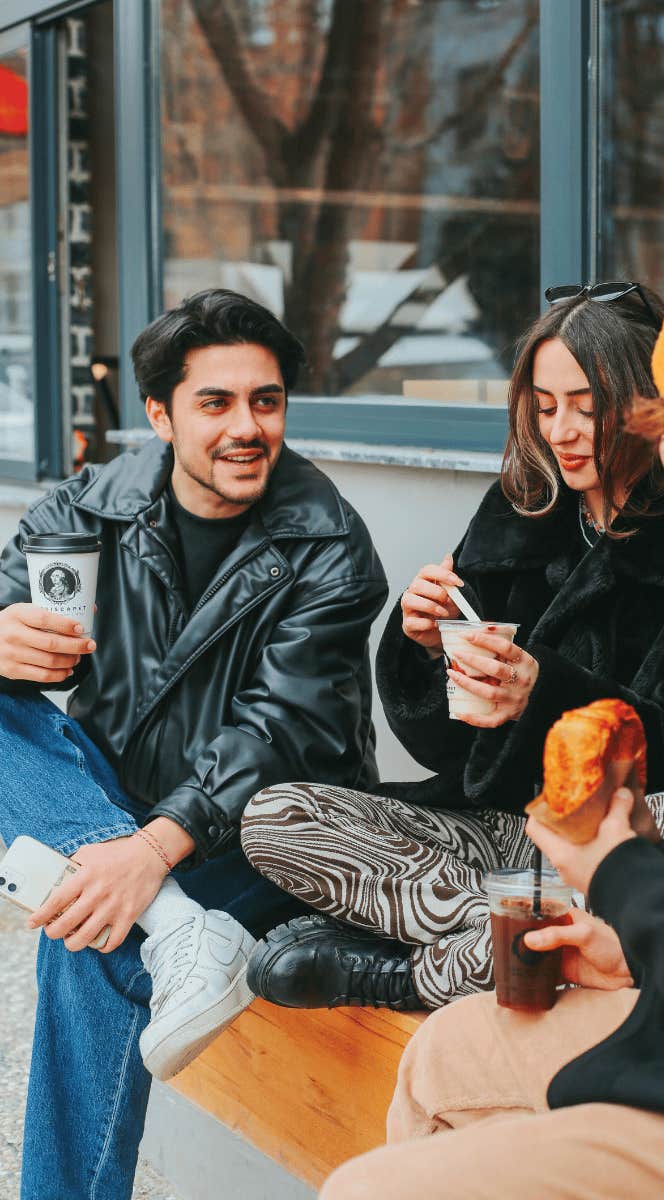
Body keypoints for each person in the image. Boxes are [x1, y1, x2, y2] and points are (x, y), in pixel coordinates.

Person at [318, 246, 664, 1200]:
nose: (581, 433)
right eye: (545, 405)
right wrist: (425, 648)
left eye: (652, 418)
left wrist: (620, 874)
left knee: (365, 1190)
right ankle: (467, 947)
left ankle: (447, 958)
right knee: (441, 1050)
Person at [240, 281, 664, 1012]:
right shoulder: (519, 515)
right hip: (491, 834)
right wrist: (426, 649)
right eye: (545, 408)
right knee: (274, 817)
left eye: (586, 407)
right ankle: (523, 935)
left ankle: (408, 975)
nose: (562, 432)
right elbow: (443, 751)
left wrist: (543, 695)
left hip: (617, 842)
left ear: (649, 403)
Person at [0, 288, 388, 1200]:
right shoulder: (90, 510)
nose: (247, 426)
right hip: (121, 811)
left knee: (90, 934)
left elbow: (283, 729)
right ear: (160, 415)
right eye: (215, 402)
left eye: (266, 400)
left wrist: (147, 857)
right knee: (101, 898)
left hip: (269, 835)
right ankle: (176, 926)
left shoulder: (328, 543)